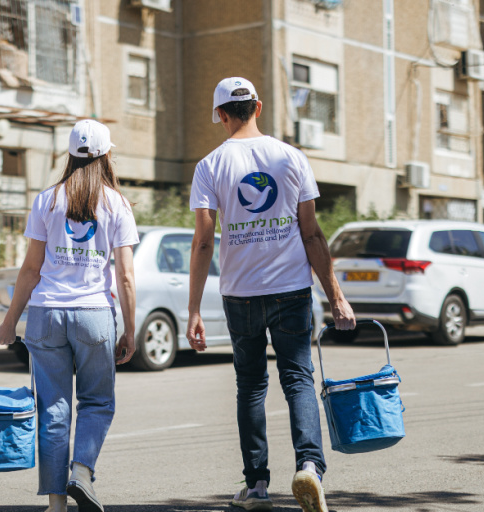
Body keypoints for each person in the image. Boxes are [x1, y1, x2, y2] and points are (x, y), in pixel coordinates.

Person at [186, 77, 356, 512]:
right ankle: (310, 468)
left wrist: (193, 310)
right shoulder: (292, 157)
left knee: (251, 387)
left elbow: (204, 242)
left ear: (221, 115)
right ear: (257, 108)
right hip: (292, 292)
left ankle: (257, 486)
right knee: (298, 378)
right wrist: (336, 296)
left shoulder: (209, 166)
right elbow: (312, 233)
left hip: (240, 294)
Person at [0, 119, 139, 512]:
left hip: (46, 314)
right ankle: (82, 472)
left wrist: (9, 321)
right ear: (107, 155)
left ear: (70, 154)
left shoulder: (46, 200)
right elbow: (125, 275)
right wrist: (130, 329)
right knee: (96, 403)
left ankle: (57, 503)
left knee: (53, 409)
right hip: (94, 314)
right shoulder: (117, 204)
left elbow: (30, 269)